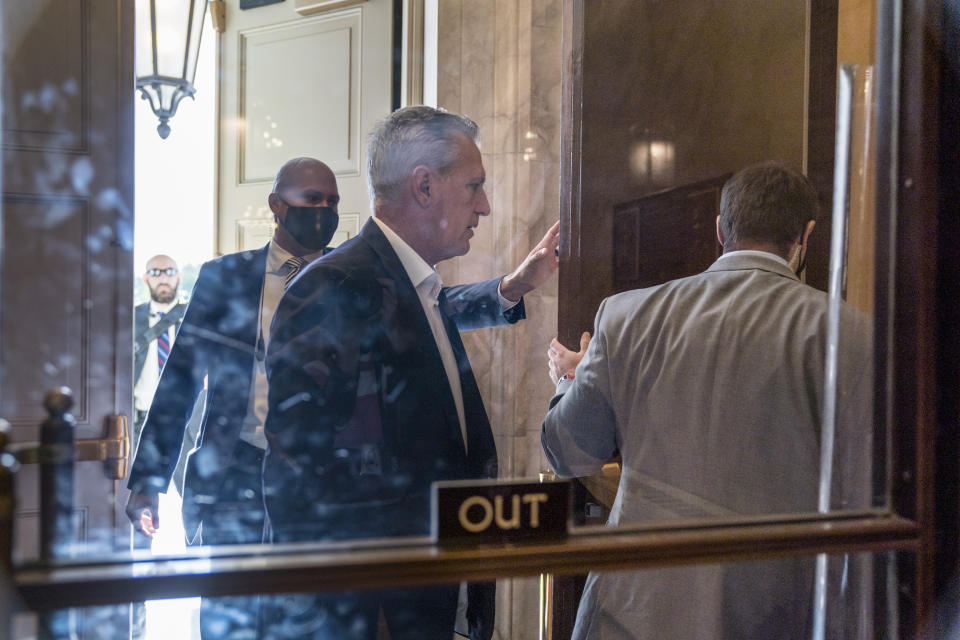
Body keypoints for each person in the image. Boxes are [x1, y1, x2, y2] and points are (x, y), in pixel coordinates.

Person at [262, 106, 560, 640]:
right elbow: (299, 479)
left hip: (429, 599)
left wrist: (512, 287)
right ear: (424, 186)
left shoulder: (418, 286)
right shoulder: (330, 287)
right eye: (474, 187)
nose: (486, 206)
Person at [542, 162, 873, 639]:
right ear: (806, 235)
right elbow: (861, 487)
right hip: (772, 613)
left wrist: (566, 381)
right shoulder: (851, 334)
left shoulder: (625, 315)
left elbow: (569, 451)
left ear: (720, 229)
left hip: (634, 610)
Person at [133, 255, 185, 444]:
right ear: (145, 278)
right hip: (140, 423)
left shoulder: (195, 317)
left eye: (169, 272)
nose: (163, 278)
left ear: (178, 276)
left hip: (186, 421)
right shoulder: (129, 319)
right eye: (155, 272)